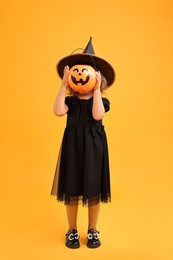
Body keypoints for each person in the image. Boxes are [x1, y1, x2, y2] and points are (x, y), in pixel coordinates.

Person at [51, 38, 115, 249]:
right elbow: (58, 111)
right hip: (73, 146)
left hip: (94, 148)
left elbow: (97, 115)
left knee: (93, 190)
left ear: (98, 78)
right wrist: (63, 84)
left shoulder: (102, 101)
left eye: (86, 72)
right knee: (72, 190)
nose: (80, 76)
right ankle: (72, 230)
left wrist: (96, 89)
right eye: (76, 73)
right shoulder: (70, 101)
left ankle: (92, 230)